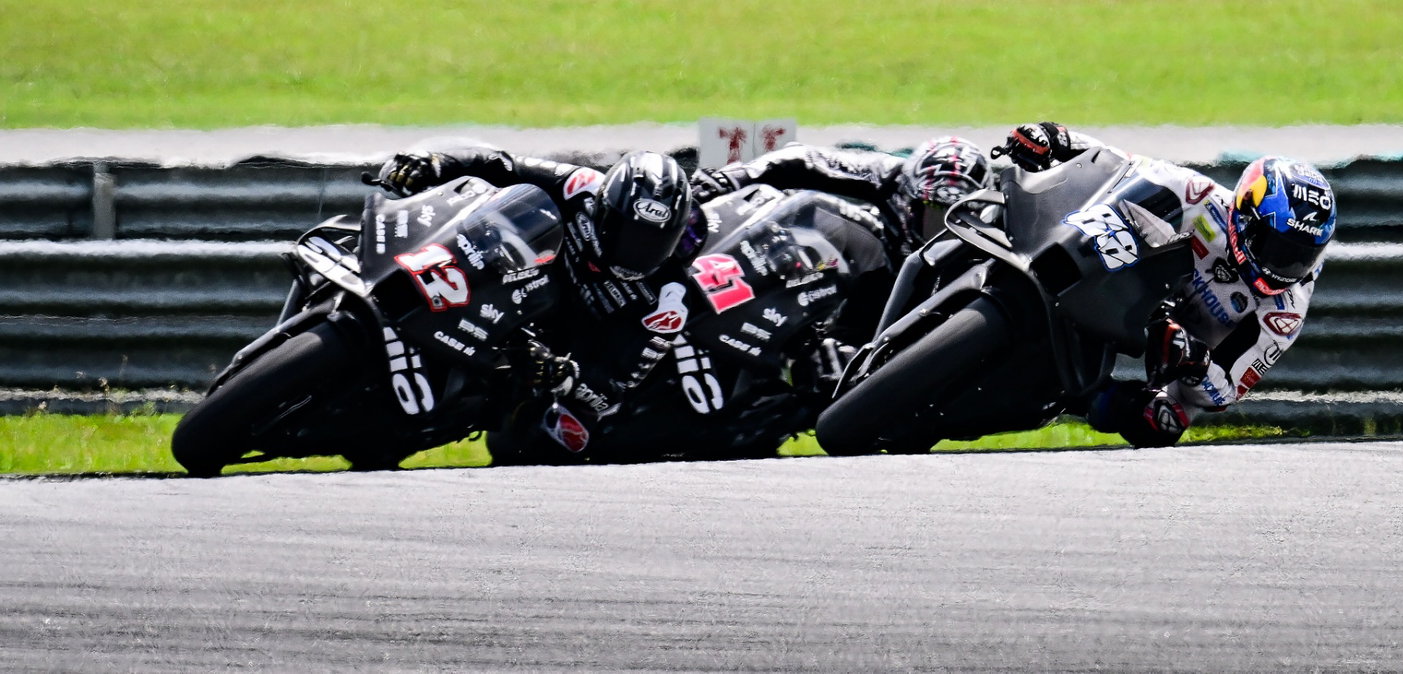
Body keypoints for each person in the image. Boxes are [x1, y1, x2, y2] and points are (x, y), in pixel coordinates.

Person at [993, 121, 1337, 449]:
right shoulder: (1200, 198)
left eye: (1299, 257)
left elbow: (1225, 392)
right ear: (1245, 215)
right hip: (1126, 280)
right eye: (1276, 249)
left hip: (1178, 342)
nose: (1284, 267)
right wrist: (1058, 139)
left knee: (1161, 423)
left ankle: (1074, 395)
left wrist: (1195, 360)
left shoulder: (1285, 310)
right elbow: (1119, 164)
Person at [374, 144, 699, 460]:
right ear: (603, 208)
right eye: (628, 233)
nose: (637, 251)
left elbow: (614, 388)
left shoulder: (670, 299)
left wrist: (560, 372)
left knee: (563, 436)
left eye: (654, 241)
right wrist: (436, 163)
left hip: (546, 355)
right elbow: (499, 164)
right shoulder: (580, 187)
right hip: (507, 292)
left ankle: (422, 425)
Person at [690, 135, 997, 262]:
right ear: (907, 200)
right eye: (932, 212)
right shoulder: (891, 175)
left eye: (956, 218)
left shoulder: (1000, 222)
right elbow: (805, 159)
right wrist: (734, 177)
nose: (941, 231)